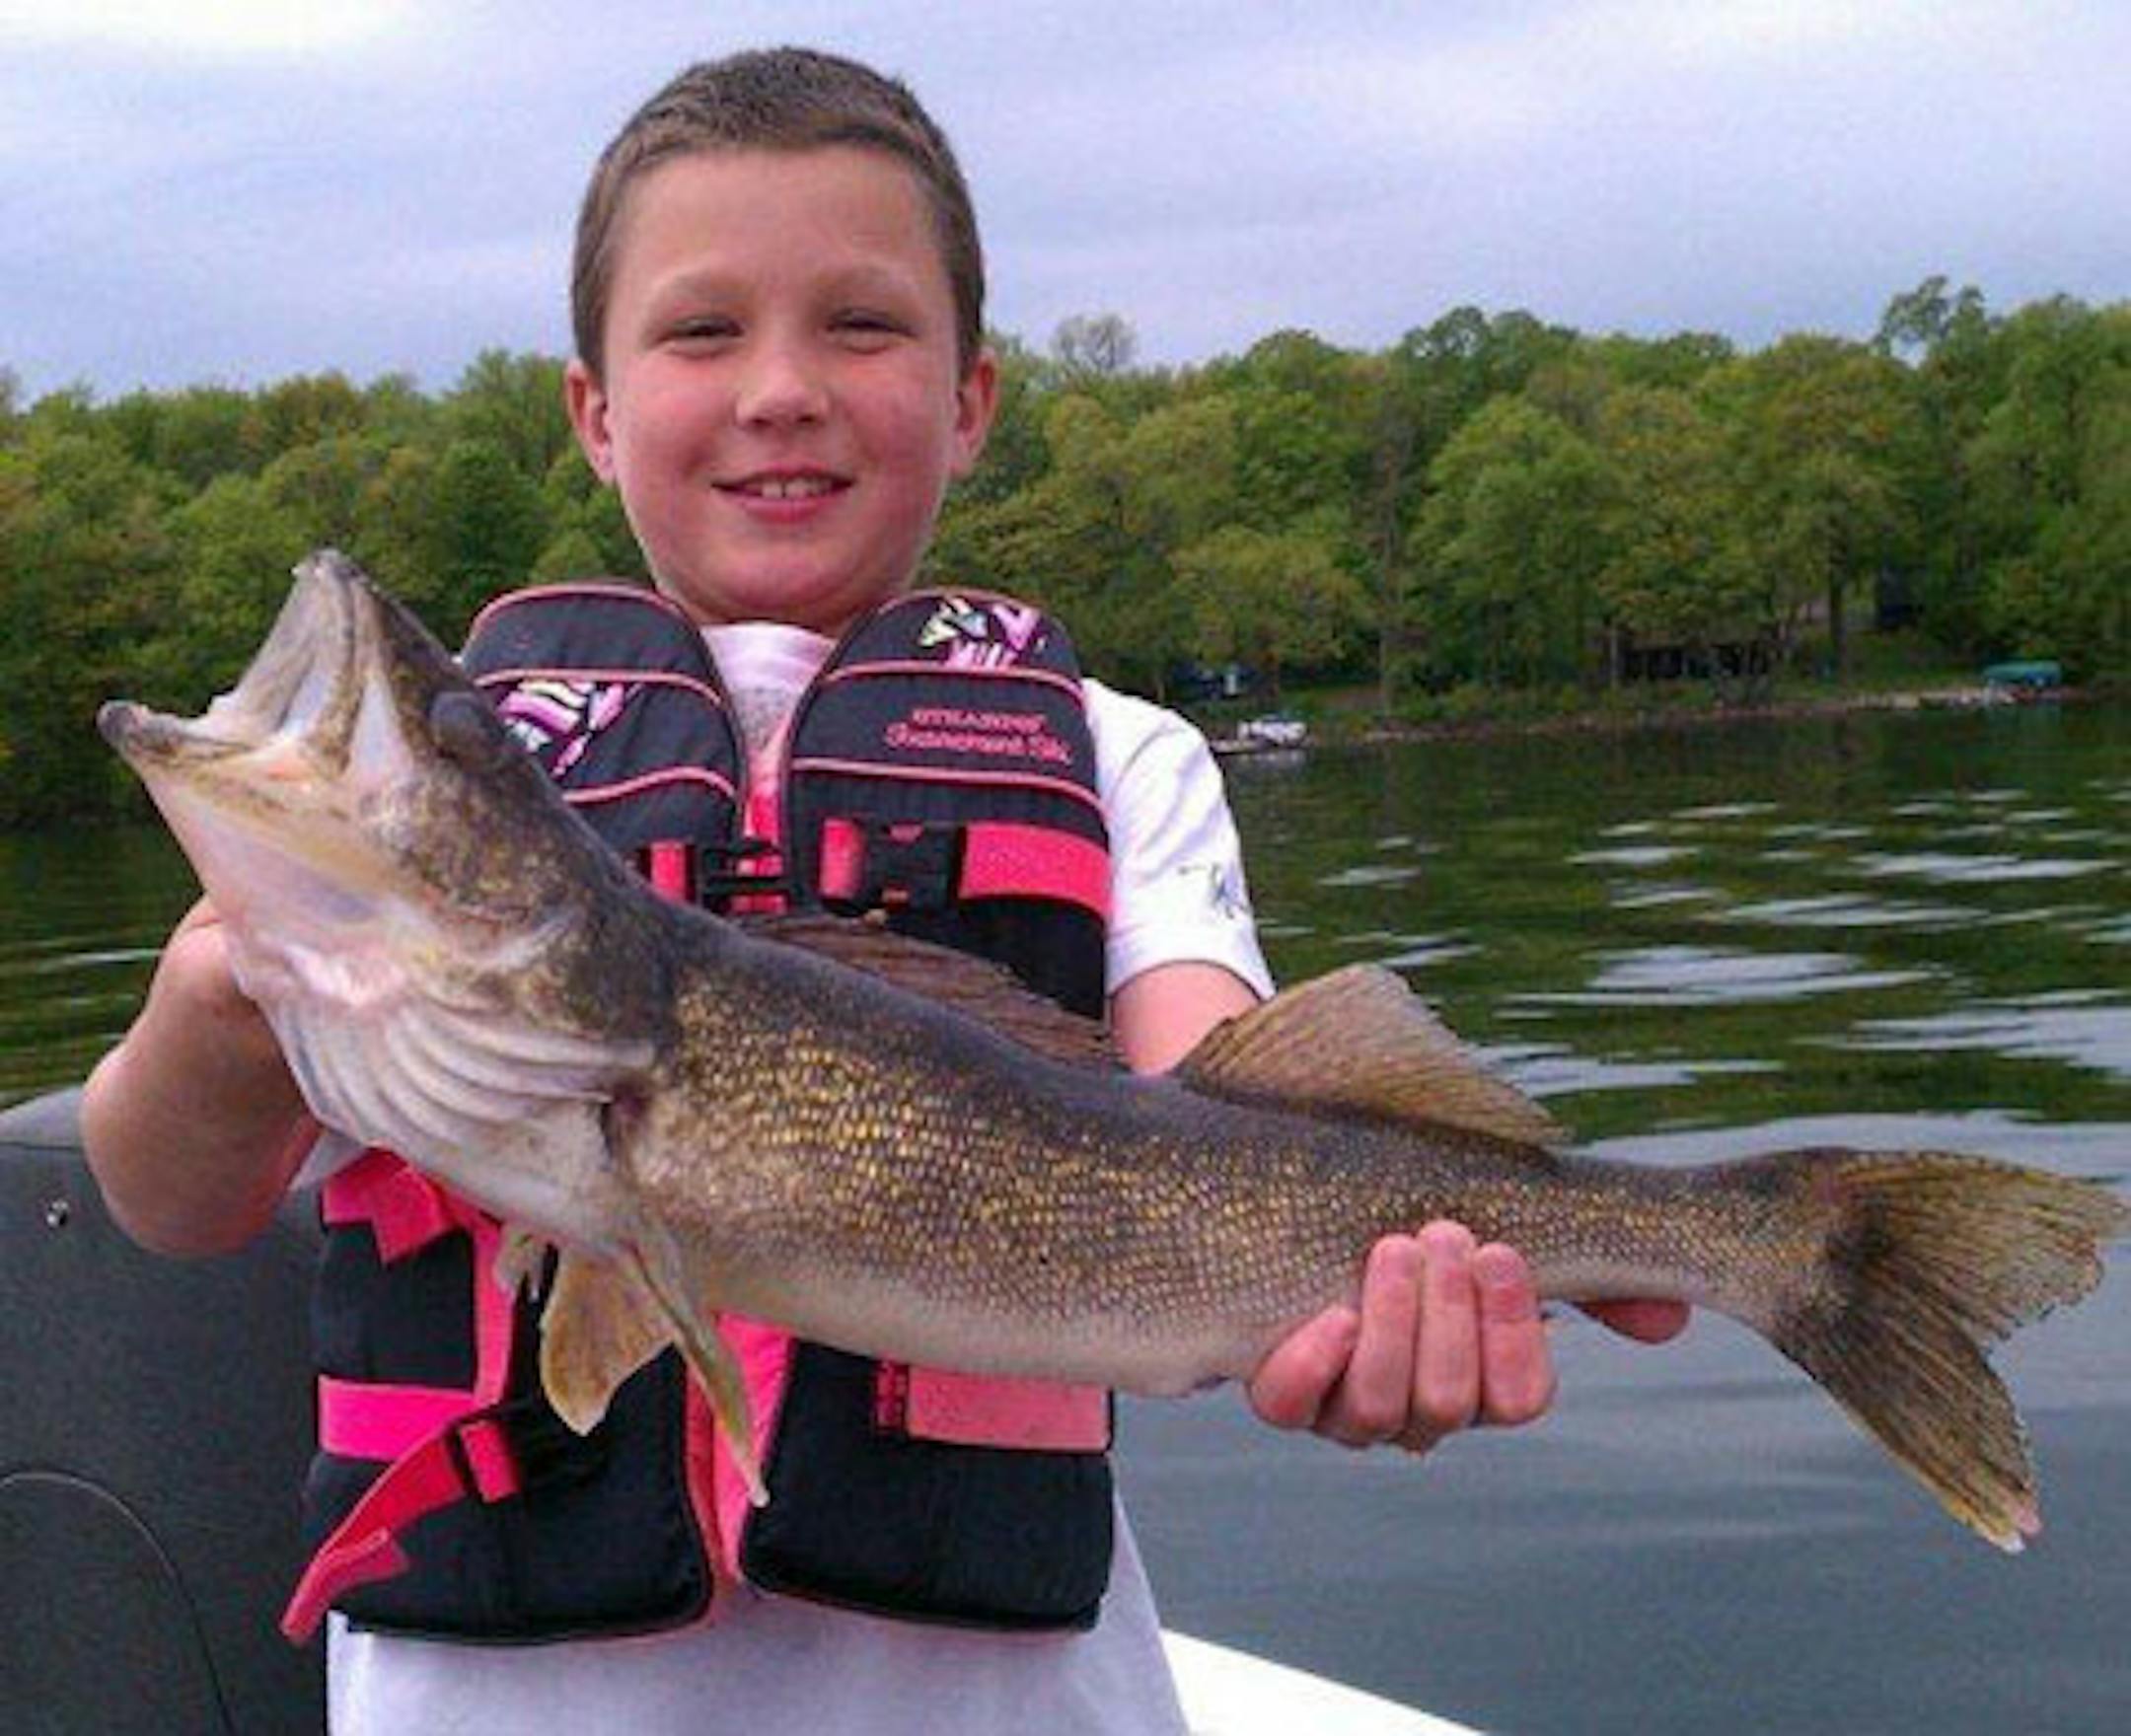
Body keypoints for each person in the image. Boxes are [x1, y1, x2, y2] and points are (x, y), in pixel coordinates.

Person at [82, 45, 1684, 1735]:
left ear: (972, 399)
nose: (782, 389)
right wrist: (222, 1001)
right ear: (594, 412)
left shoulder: (1118, 755)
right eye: (704, 331)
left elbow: (1222, 1095)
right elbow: (165, 1197)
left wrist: (1408, 1298)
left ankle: (1768, 1248)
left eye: (860, 325)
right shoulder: (400, 903)